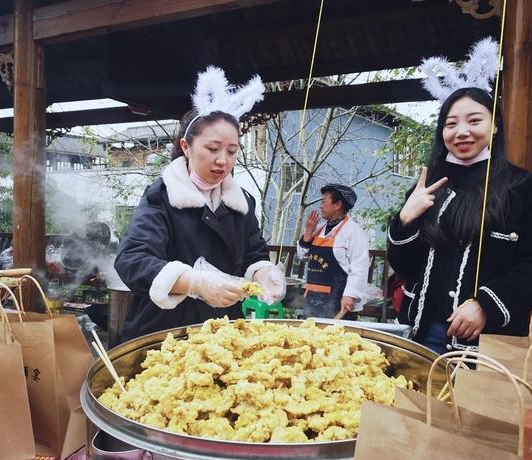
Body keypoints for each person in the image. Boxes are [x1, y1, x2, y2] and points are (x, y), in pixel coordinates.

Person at [387, 86, 532, 353]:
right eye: (451, 124)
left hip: (487, 342)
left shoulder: (522, 188)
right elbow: (405, 267)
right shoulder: (427, 188)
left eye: (474, 120)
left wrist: (486, 304)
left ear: (494, 126)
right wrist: (405, 219)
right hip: (418, 332)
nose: (461, 131)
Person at [114, 66, 285, 342]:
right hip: (165, 334)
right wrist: (195, 282)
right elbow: (132, 260)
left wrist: (264, 272)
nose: (223, 161)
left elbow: (254, 253)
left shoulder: (242, 203)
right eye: (213, 149)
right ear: (186, 147)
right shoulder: (162, 196)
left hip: (224, 333)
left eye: (231, 151)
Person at [297, 184, 371, 319]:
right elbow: (302, 256)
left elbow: (359, 267)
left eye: (324, 201)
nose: (320, 205)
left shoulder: (353, 232)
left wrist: (350, 295)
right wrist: (308, 231)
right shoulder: (319, 229)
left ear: (337, 205)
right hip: (313, 299)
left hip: (338, 301)